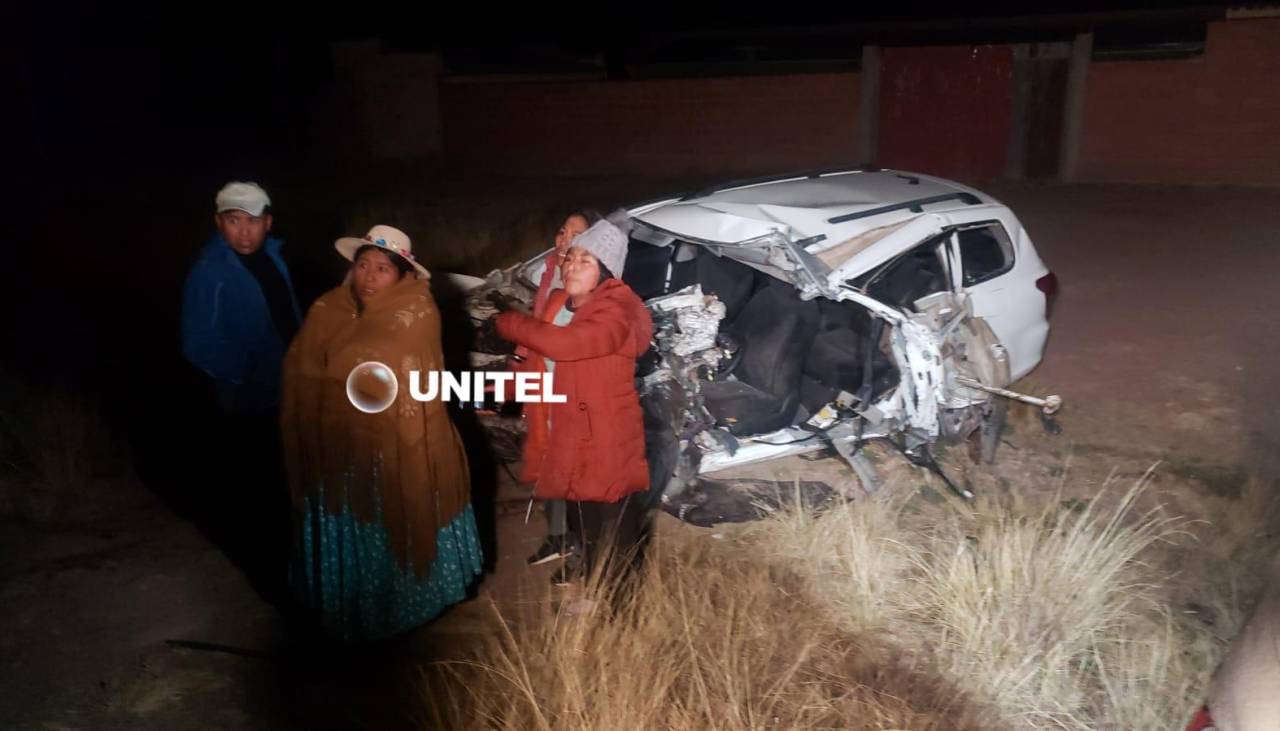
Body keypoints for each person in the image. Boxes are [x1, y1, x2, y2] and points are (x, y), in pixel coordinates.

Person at [281, 225, 482, 640]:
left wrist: (342, 366)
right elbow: (301, 367)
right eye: (363, 266)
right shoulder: (327, 308)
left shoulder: (416, 312)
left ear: (403, 274)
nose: (370, 277)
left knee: (390, 510)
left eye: (382, 269)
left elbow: (394, 367)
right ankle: (344, 603)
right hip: (336, 445)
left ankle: (404, 606)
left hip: (393, 445)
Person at [495, 220, 653, 589]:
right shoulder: (556, 302)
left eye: (586, 261)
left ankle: (621, 615)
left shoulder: (618, 309)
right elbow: (539, 356)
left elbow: (568, 345)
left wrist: (509, 323)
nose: (571, 266)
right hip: (564, 434)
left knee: (614, 533)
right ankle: (594, 585)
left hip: (604, 439)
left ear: (606, 272)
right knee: (583, 525)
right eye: (571, 257)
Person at [179, 181, 301, 602]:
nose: (243, 232)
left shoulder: (274, 257)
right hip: (249, 401)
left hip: (290, 390)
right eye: (233, 222)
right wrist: (250, 373)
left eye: (252, 222)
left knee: (292, 481)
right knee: (260, 488)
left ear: (268, 223)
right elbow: (198, 342)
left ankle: (297, 562)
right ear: (219, 223)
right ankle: (276, 578)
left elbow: (287, 315)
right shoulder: (210, 271)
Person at [519, 209, 602, 567]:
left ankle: (583, 557)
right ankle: (558, 538)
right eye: (563, 232)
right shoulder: (551, 280)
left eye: (578, 235)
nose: (566, 240)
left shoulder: (597, 294)